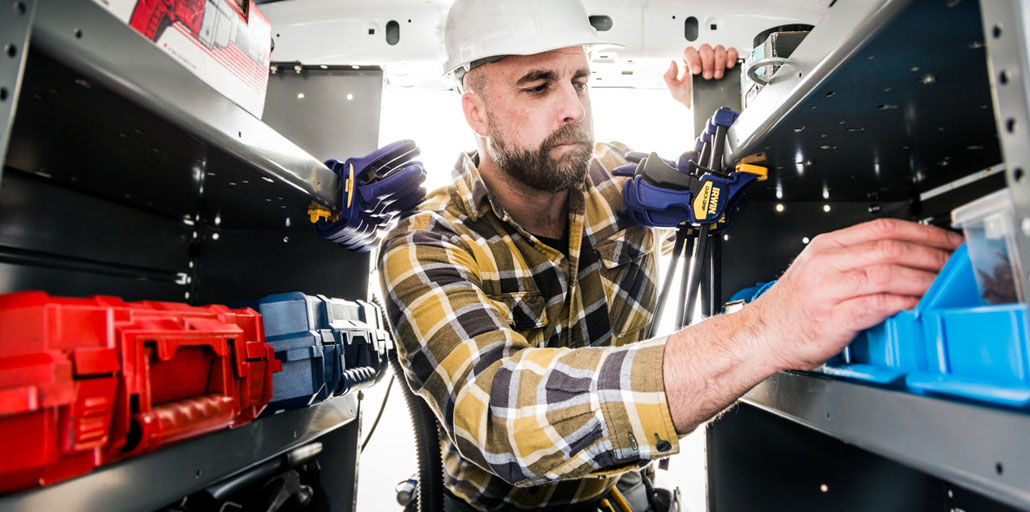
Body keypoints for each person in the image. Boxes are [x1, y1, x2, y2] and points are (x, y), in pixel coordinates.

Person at [377, 0, 962, 510]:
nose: (573, 109)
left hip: (619, 498)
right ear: (476, 113)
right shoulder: (424, 243)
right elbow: (497, 412)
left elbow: (709, 183)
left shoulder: (618, 178)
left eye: (579, 80)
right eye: (538, 86)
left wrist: (714, 103)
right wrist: (764, 330)